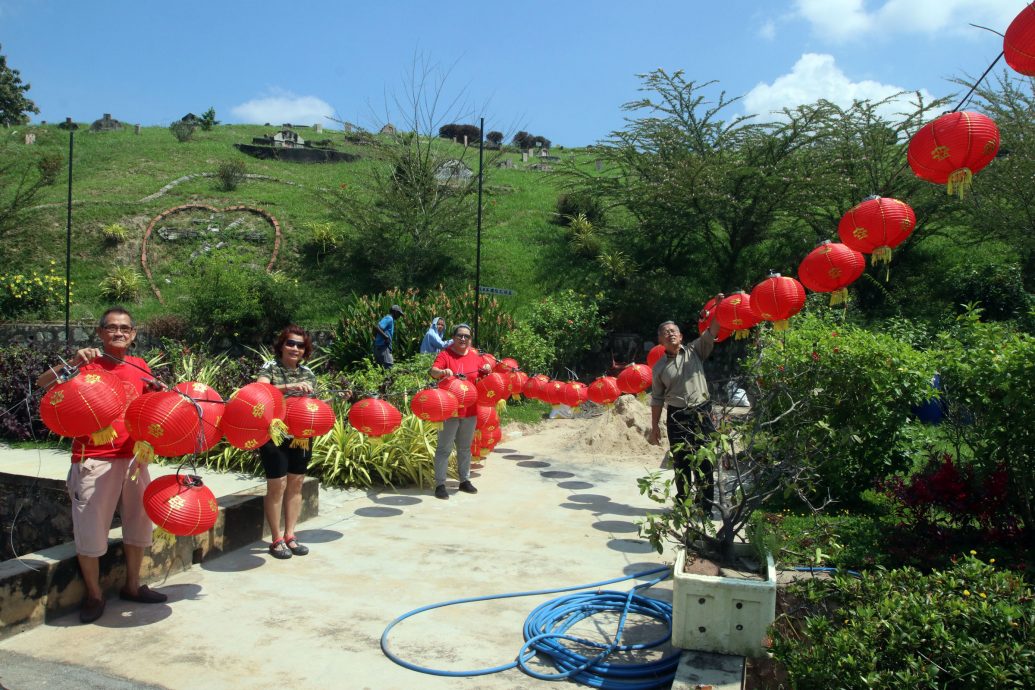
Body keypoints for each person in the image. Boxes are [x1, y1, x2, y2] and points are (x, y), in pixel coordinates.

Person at [35, 306, 168, 624]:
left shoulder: (140, 366)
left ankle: (133, 586)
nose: (118, 332)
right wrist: (72, 362)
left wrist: (156, 393)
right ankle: (94, 595)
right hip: (94, 459)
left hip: (134, 458)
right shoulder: (86, 364)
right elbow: (43, 383)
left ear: (133, 334)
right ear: (100, 333)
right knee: (91, 531)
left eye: (125, 328)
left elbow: (148, 406)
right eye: (112, 327)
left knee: (138, 526)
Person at [648, 294, 724, 511]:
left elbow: (713, 329)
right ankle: (684, 504)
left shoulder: (696, 350)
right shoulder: (659, 368)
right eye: (666, 332)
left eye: (674, 331)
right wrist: (655, 427)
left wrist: (720, 307)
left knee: (705, 459)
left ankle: (705, 506)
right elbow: (657, 399)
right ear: (660, 340)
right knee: (681, 462)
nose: (670, 334)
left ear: (681, 336)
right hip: (676, 415)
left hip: (702, 411)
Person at [255, 325, 317, 560]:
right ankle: (276, 538)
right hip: (275, 434)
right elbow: (260, 391)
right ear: (282, 345)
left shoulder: (308, 373)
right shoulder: (270, 367)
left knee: (296, 483)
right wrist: (289, 387)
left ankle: (290, 534)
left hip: (301, 436)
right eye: (290, 343)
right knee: (277, 485)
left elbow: (313, 405)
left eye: (300, 345)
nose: (295, 348)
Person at [427, 323, 492, 500]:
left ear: (470, 339)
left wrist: (487, 370)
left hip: (470, 410)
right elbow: (433, 371)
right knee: (444, 448)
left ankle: (464, 480)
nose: (463, 339)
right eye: (460, 336)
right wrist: (442, 371)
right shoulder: (445, 354)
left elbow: (484, 375)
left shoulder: (475, 356)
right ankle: (440, 484)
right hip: (449, 411)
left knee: (464, 447)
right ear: (453, 338)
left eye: (467, 336)